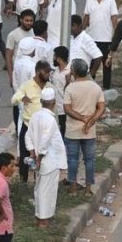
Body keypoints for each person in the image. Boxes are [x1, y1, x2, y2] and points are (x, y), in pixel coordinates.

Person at [26, 88, 67, 227]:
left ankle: (40, 218)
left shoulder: (35, 116)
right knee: (46, 191)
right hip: (48, 160)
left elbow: (28, 137)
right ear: (54, 102)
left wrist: (32, 153)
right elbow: (45, 140)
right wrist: (39, 157)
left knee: (39, 189)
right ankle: (43, 221)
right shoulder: (50, 120)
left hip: (39, 160)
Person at [62, 59, 105, 194]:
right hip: (89, 130)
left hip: (73, 130)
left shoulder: (70, 88)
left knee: (73, 159)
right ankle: (88, 188)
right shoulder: (95, 87)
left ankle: (73, 186)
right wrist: (90, 121)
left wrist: (81, 118)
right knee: (89, 160)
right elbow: (101, 107)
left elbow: (67, 108)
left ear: (74, 71)